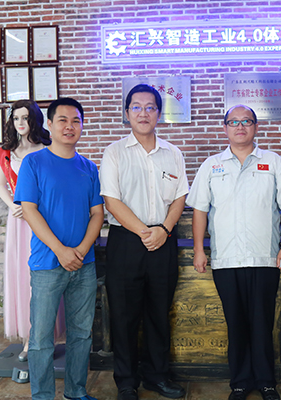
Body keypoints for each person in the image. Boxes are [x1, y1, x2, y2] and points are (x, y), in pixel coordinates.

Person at [186, 105, 281, 400]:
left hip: (265, 258)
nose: (240, 126)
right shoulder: (211, 165)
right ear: (225, 128)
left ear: (255, 127)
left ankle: (266, 381)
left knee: (262, 323)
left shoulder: (273, 162)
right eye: (233, 122)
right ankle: (239, 382)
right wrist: (199, 250)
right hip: (226, 260)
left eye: (246, 121)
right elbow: (199, 210)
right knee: (235, 323)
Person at [99, 84, 189, 400]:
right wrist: (145, 232)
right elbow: (112, 200)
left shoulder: (173, 153)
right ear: (127, 113)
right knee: (124, 315)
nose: (143, 113)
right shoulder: (114, 152)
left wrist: (163, 229)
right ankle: (126, 381)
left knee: (158, 312)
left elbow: (180, 197)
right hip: (126, 242)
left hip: (163, 240)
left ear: (159, 114)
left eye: (150, 107)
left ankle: (157, 376)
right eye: (136, 107)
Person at [14, 98, 104, 400]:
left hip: (84, 265)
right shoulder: (34, 163)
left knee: (81, 334)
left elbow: (97, 213)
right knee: (41, 337)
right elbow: (29, 210)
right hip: (47, 264)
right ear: (50, 125)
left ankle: (76, 391)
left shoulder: (88, 167)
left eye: (76, 121)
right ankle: (42, 396)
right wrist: (61, 250)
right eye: (62, 120)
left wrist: (81, 249)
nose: (70, 126)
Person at [0, 99, 65, 362]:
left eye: (25, 118)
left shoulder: (48, 149)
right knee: (21, 276)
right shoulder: (6, 153)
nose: (20, 123)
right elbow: (1, 185)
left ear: (35, 119)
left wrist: (34, 207)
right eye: (16, 118)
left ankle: (46, 335)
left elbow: (56, 184)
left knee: (44, 275)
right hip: (18, 221)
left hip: (43, 218)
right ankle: (28, 338)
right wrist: (13, 205)